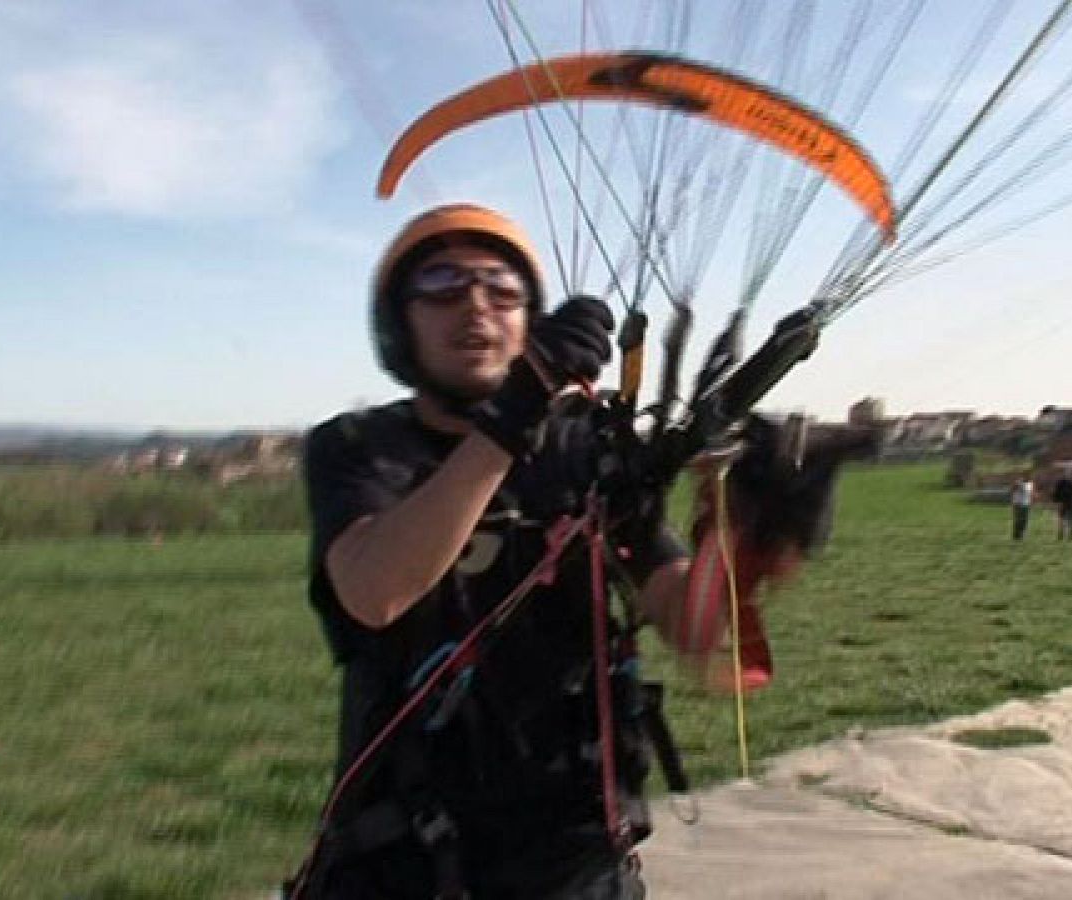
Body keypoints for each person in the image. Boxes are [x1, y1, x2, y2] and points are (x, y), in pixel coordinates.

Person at [287, 203, 853, 899]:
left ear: (531, 318)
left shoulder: (586, 448)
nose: (476, 306)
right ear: (398, 320)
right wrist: (517, 412)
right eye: (442, 284)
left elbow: (694, 629)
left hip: (578, 863)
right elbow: (376, 592)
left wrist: (755, 535)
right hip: (406, 865)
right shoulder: (358, 448)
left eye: (502, 288)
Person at [1051, 473, 1072, 541]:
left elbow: (1055, 494)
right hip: (1068, 504)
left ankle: (1063, 535)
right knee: (1068, 520)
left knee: (1064, 520)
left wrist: (1055, 502)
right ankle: (1067, 536)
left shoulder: (1061, 483)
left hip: (1065, 504)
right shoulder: (1071, 483)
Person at [1009, 473, 1034, 541]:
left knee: (1025, 521)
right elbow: (1012, 490)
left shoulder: (1030, 484)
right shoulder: (1018, 483)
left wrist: (1031, 503)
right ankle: (1016, 536)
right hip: (1018, 504)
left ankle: (1022, 535)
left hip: (1026, 505)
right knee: (1018, 520)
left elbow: (1030, 494)